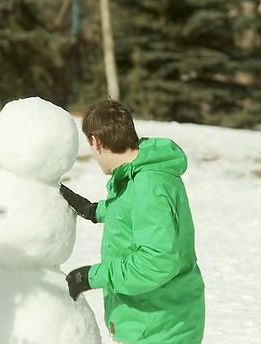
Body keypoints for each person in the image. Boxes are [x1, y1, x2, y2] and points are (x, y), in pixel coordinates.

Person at [60, 99, 206, 344]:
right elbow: (135, 211)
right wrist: (94, 210)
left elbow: (157, 262)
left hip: (158, 327)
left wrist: (91, 276)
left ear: (96, 141)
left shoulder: (148, 185)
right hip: (155, 319)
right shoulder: (143, 174)